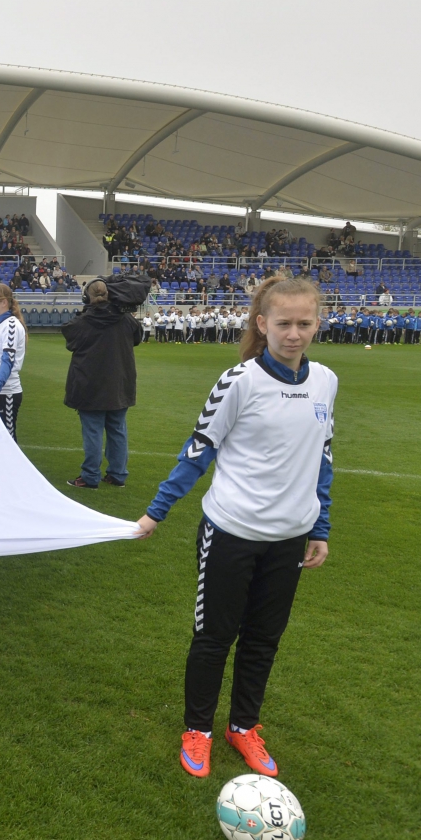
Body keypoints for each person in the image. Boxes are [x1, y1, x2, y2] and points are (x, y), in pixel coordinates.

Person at [135, 276, 335, 780]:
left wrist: (320, 525)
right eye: (284, 323)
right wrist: (156, 511)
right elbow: (198, 449)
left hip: (290, 537)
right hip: (232, 532)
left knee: (264, 639)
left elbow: (323, 458)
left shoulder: (326, 382)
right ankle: (197, 730)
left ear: (317, 323)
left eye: (304, 323)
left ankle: (243, 726)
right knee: (213, 638)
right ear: (261, 323)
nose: (294, 334)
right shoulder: (239, 381)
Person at [60, 278, 144, 488]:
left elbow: (69, 334)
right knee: (117, 430)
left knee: (93, 432)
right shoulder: (126, 320)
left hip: (90, 385)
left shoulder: (82, 322)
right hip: (119, 384)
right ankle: (117, 475)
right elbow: (137, 337)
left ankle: (90, 477)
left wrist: (87, 311)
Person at [0, 283, 27, 439]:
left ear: (3, 302)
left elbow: (7, 360)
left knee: (7, 440)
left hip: (6, 392)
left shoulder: (11, 326)